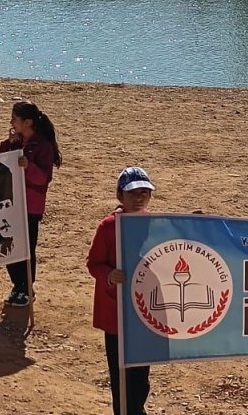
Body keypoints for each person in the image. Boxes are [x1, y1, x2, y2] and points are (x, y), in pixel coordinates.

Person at [87, 167, 156, 415]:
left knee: (141, 374)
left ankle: (137, 409)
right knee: (121, 376)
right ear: (120, 196)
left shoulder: (153, 224)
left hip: (145, 313)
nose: (139, 198)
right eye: (133, 192)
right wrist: (109, 275)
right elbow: (93, 263)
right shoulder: (108, 227)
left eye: (144, 193)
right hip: (116, 315)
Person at [0, 101, 62, 307]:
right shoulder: (15, 142)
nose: (11, 123)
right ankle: (17, 285)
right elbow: (1, 164)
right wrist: (9, 144)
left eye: (14, 119)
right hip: (11, 202)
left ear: (27, 122)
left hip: (31, 206)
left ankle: (27, 287)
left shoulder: (42, 146)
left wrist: (28, 167)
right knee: (6, 243)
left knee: (26, 248)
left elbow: (44, 179)